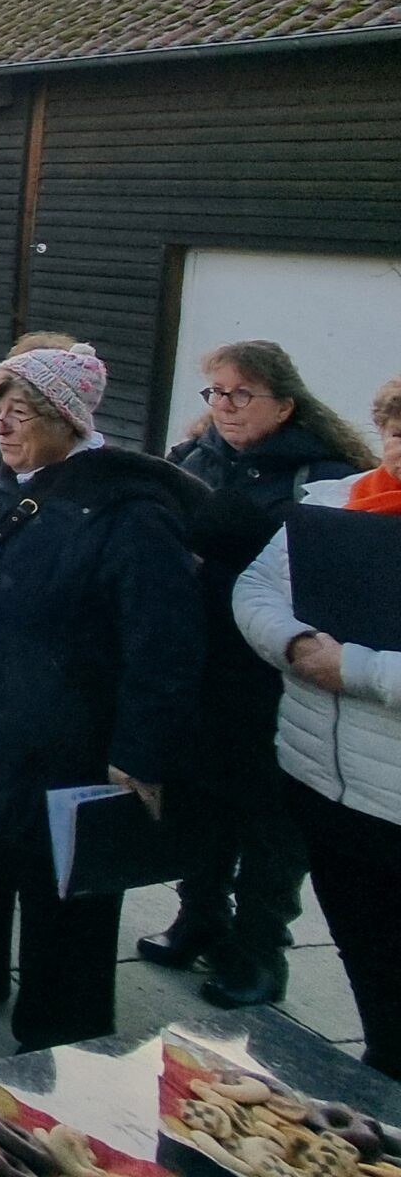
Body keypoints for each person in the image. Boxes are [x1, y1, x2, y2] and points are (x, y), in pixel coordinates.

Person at [0, 343, 204, 1049]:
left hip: (67, 732)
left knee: (61, 881)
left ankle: (62, 1028)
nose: (1, 427)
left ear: (68, 420)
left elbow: (164, 646)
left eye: (22, 413)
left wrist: (140, 753)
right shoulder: (10, 482)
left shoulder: (129, 513)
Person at [147, 341, 371, 1008]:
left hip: (276, 674)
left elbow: (323, 572)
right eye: (216, 392)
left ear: (285, 404)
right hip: (203, 658)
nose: (225, 405)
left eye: (241, 393)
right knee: (201, 799)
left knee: (271, 820)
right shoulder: (195, 456)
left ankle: (259, 953)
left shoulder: (322, 475)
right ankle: (199, 917)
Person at [235, 374, 401, 1076]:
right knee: (365, 955)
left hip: (393, 797)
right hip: (321, 781)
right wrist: (297, 644)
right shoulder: (337, 503)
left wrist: (353, 668)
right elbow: (257, 588)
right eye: (397, 430)